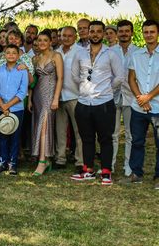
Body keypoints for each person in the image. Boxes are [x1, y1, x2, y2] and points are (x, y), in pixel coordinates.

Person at [70, 21, 125, 186]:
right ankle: (88, 170)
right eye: (92, 31)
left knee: (105, 139)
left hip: (104, 103)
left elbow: (120, 77)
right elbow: (74, 75)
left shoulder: (111, 54)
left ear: (103, 34)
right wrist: (84, 88)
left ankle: (106, 173)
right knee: (86, 138)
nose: (95, 34)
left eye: (98, 31)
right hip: (83, 102)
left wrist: (105, 89)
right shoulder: (79, 54)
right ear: (88, 32)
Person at [126, 20, 159, 187]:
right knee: (137, 141)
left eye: (152, 32)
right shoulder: (136, 55)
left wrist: (148, 97)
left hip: (158, 107)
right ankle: (136, 173)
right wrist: (141, 98)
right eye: (146, 32)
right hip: (138, 107)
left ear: (157, 33)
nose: (148, 35)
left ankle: (158, 176)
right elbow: (131, 78)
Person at [29, 30, 63, 176]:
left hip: (50, 94)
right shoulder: (35, 59)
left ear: (50, 42)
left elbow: (60, 78)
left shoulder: (56, 56)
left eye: (45, 40)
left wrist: (56, 98)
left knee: (44, 126)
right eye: (39, 40)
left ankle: (42, 161)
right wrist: (30, 98)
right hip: (37, 95)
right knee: (39, 126)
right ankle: (45, 159)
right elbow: (33, 81)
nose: (42, 43)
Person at [0, 44, 29, 175]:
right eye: (8, 52)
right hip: (0, 108)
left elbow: (22, 92)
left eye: (14, 53)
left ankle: (12, 164)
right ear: (4, 55)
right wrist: (2, 105)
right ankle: (2, 162)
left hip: (16, 108)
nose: (11, 55)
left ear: (18, 55)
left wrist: (7, 106)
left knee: (15, 136)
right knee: (3, 135)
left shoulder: (22, 70)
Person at [110, 19, 138, 176]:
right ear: (117, 33)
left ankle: (128, 165)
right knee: (112, 133)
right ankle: (111, 164)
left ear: (132, 33)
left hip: (131, 97)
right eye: (121, 31)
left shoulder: (138, 52)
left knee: (129, 134)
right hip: (112, 96)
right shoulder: (110, 51)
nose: (124, 34)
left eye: (127, 31)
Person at [55, 26, 83, 171]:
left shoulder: (80, 51)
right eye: (63, 35)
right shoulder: (56, 52)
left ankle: (80, 161)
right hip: (59, 96)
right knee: (60, 130)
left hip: (75, 95)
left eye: (69, 36)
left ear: (75, 36)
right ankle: (60, 158)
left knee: (79, 130)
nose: (65, 38)